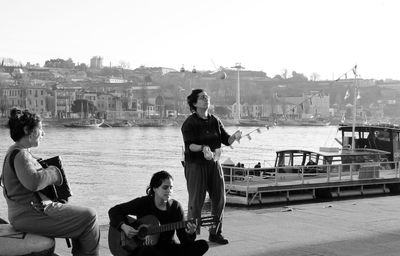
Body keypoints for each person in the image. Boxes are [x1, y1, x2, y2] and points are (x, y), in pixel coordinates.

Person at [0, 108, 100, 256]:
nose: (43, 133)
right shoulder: (20, 154)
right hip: (31, 215)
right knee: (89, 217)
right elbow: (33, 182)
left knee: (82, 217)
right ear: (28, 130)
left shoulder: (15, 151)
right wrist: (54, 173)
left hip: (25, 213)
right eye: (40, 129)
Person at [181, 89, 242, 245]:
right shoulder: (189, 123)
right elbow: (189, 146)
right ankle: (191, 235)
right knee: (196, 201)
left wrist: (235, 136)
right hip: (195, 165)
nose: (205, 99)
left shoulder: (215, 120)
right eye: (202, 98)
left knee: (220, 198)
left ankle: (215, 233)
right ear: (194, 103)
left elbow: (226, 140)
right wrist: (203, 148)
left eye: (207, 97)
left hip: (214, 163)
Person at [108, 170, 208, 256]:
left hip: (168, 249)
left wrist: (190, 233)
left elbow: (185, 242)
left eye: (171, 187)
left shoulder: (176, 207)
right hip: (141, 249)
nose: (169, 190)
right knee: (148, 251)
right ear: (155, 188)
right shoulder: (143, 203)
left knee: (203, 245)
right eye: (165, 187)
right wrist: (124, 226)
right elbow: (114, 211)